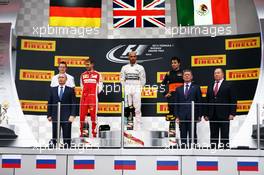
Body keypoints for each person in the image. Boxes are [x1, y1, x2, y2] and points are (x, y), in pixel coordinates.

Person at [204, 68, 237, 149]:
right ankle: (213, 151)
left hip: (224, 114)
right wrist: (206, 114)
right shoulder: (210, 85)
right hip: (212, 114)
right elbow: (207, 100)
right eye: (215, 73)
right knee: (213, 135)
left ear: (223, 74)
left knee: (224, 134)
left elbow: (233, 100)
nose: (216, 74)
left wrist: (232, 113)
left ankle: (225, 152)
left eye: (218, 73)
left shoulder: (228, 85)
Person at [174, 69, 202, 148]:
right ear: (183, 77)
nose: (186, 76)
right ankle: (183, 151)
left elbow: (199, 102)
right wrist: (176, 116)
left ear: (191, 77)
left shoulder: (196, 88)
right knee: (183, 135)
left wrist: (199, 115)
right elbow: (176, 104)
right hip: (182, 116)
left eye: (188, 74)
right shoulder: (178, 89)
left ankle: (194, 150)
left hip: (192, 116)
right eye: (185, 75)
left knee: (193, 134)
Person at [47, 74, 76, 147]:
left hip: (67, 116)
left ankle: (67, 148)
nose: (61, 79)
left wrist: (72, 115)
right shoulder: (53, 89)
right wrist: (49, 115)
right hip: (55, 115)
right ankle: (54, 147)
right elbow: (50, 102)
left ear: (66, 79)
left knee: (67, 134)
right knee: (55, 134)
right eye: (59, 77)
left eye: (62, 77)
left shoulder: (70, 90)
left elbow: (73, 103)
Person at [120, 51, 146, 130]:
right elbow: (122, 79)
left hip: (136, 87)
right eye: (131, 56)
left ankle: (138, 127)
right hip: (127, 87)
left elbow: (143, 80)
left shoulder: (140, 67)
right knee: (128, 108)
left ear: (136, 57)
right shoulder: (124, 67)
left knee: (137, 108)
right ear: (128, 57)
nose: (133, 58)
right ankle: (129, 125)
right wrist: (125, 87)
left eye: (134, 56)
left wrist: (139, 88)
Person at [79, 58, 103, 138]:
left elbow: (100, 87)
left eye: (88, 64)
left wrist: (94, 94)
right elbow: (82, 86)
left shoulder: (98, 74)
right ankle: (83, 133)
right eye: (85, 64)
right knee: (82, 116)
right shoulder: (82, 75)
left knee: (93, 116)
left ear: (92, 64)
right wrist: (86, 94)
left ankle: (94, 133)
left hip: (93, 97)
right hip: (84, 98)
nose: (86, 66)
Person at [161, 57, 183, 133]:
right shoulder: (168, 73)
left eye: (175, 62)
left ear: (179, 63)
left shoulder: (183, 73)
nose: (173, 64)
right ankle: (172, 134)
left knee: (181, 115)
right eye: (172, 63)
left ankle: (182, 133)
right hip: (172, 98)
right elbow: (162, 85)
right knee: (171, 115)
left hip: (181, 97)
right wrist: (165, 94)